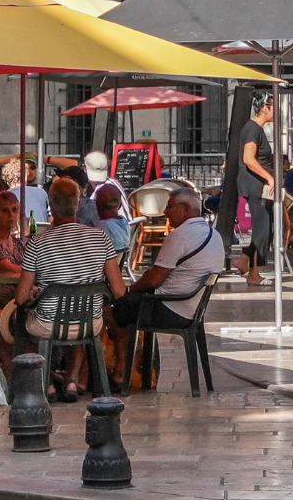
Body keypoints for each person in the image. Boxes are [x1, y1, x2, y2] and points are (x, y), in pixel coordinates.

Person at [14, 177, 125, 401]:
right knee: (79, 314)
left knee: (21, 320)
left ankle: (45, 384)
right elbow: (120, 290)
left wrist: (39, 293)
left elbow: (20, 297)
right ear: (78, 205)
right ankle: (72, 380)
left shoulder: (37, 243)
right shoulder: (101, 237)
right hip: (90, 324)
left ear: (51, 207)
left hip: (48, 324)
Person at [107, 186, 222, 376]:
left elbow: (154, 280)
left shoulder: (180, 236)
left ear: (185, 209)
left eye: (169, 206)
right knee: (126, 307)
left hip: (171, 309)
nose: (165, 212)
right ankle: (138, 372)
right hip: (192, 310)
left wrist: (130, 290)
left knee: (111, 311)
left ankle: (121, 373)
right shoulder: (213, 234)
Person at [232, 91, 278, 286]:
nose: (277, 111)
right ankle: (254, 273)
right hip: (255, 184)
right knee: (262, 227)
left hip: (259, 184)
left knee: (268, 227)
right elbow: (248, 159)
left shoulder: (256, 129)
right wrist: (269, 177)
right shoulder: (252, 129)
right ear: (265, 108)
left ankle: (244, 260)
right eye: (274, 106)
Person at [94, 182, 131, 255]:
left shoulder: (101, 227)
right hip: (117, 264)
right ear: (120, 205)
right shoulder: (125, 224)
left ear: (97, 204)